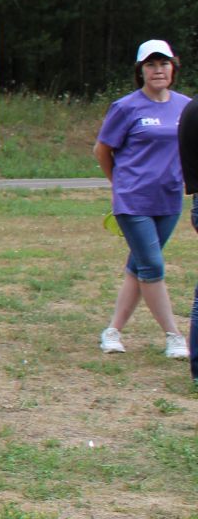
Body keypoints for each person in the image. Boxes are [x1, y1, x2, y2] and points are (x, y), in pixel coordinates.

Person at [96, 39, 192, 358]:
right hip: (133, 201)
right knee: (152, 266)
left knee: (139, 266)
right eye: (150, 65)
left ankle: (112, 332)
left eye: (163, 63)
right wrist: (120, 183)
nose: (158, 70)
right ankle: (174, 336)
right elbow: (103, 150)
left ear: (173, 68)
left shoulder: (186, 107)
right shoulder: (126, 107)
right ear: (141, 71)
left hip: (169, 202)